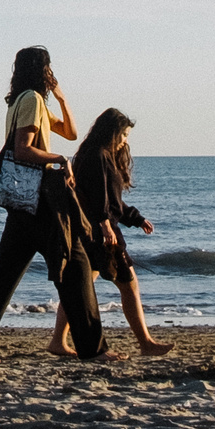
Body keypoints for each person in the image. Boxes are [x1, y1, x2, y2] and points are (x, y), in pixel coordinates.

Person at [0, 45, 103, 363]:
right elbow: (23, 151)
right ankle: (92, 349)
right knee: (76, 264)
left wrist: (62, 98)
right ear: (42, 70)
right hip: (40, 198)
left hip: (23, 199)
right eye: (48, 68)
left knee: (4, 271)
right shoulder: (32, 101)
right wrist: (60, 160)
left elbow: (70, 131)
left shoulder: (24, 102)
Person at [70, 108, 175, 358]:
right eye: (124, 135)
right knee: (129, 285)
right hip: (102, 233)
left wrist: (136, 219)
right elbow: (100, 198)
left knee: (81, 287)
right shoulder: (98, 156)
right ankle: (146, 343)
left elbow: (112, 202)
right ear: (113, 132)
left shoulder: (93, 154)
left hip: (91, 230)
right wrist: (106, 224)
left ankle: (57, 340)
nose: (126, 141)